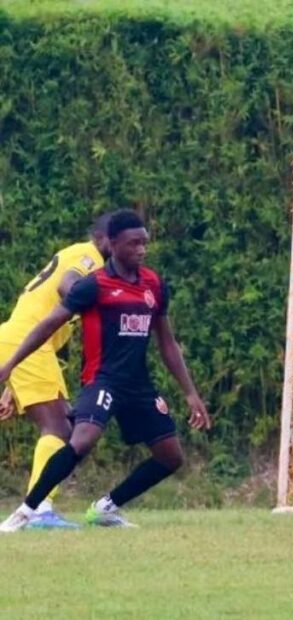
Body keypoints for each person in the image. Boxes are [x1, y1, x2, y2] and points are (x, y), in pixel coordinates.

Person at [0, 209, 212, 532]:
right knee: (72, 435)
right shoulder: (93, 276)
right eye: (133, 243)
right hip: (99, 377)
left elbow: (167, 342)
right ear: (109, 243)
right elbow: (60, 299)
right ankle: (30, 510)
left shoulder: (153, 284)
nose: (141, 250)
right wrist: (11, 364)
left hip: (137, 383)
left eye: (145, 243)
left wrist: (190, 392)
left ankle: (105, 508)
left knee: (172, 456)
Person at [0, 212, 112, 528]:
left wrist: (12, 385)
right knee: (60, 429)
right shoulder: (90, 258)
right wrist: (105, 303)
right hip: (24, 340)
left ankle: (39, 508)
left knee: (64, 425)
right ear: (105, 239)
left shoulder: (76, 253)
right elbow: (68, 285)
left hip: (23, 344)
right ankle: (39, 510)